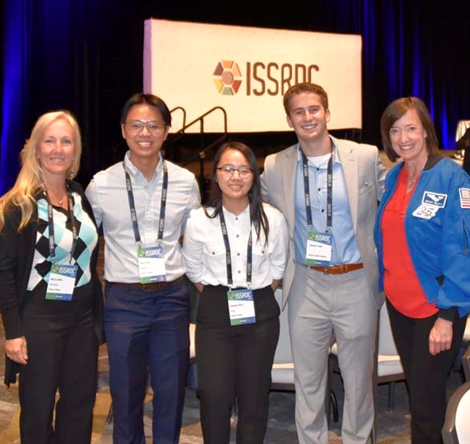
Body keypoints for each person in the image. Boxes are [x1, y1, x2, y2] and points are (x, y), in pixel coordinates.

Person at [261, 82, 386, 443]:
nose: (307, 117)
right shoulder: (274, 165)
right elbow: (268, 222)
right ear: (289, 119)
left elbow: (391, 207)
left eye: (314, 109)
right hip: (306, 284)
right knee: (309, 382)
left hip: (356, 283)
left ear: (327, 113)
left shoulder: (363, 156)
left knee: (359, 381)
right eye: (298, 112)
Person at [85, 93, 201, 444]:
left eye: (153, 125)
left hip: (171, 300)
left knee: (170, 393)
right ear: (123, 131)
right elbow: (86, 244)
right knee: (125, 394)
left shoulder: (185, 182)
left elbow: (195, 241)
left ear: (166, 131)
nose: (145, 132)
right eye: (136, 125)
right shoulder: (101, 184)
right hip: (123, 301)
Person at [0, 110, 104, 444]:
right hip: (40, 316)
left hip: (82, 315)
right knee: (38, 409)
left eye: (66, 141)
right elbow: (4, 273)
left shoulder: (78, 195)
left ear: (75, 150)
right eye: (50, 141)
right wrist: (14, 332)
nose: (58, 149)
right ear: (36, 149)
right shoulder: (20, 205)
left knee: (80, 404)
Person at [375, 97, 470, 444]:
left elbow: (465, 251)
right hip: (400, 305)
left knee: (425, 404)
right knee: (419, 394)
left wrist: (447, 315)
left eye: (410, 127)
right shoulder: (394, 176)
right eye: (395, 130)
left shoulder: (454, 177)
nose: (403, 137)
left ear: (425, 130)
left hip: (435, 308)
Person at [182, 141, 289, 444]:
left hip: (261, 312)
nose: (236, 176)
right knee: (214, 394)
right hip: (215, 311)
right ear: (215, 175)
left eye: (244, 170)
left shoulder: (273, 219)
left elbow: (277, 270)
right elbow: (193, 270)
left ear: (254, 176)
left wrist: (252, 295)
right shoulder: (198, 220)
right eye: (227, 169)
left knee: (254, 395)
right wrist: (221, 294)